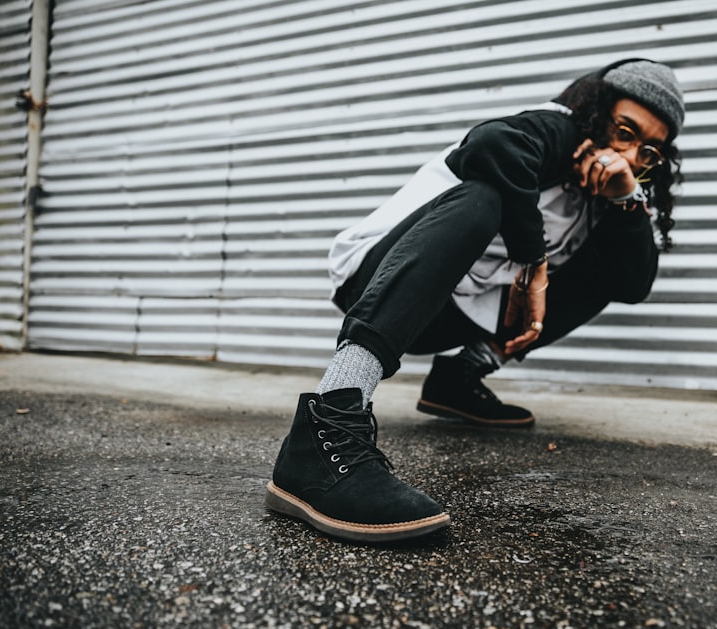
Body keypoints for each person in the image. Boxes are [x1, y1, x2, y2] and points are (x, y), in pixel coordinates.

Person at [265, 58, 685, 543]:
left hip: (447, 313)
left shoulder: (605, 187)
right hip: (375, 279)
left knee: (604, 271)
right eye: (624, 131)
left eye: (648, 151)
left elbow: (633, 284)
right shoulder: (554, 129)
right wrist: (534, 265)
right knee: (484, 195)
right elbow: (491, 144)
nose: (629, 154)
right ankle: (330, 419)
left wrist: (626, 197)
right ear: (596, 112)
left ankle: (457, 379)